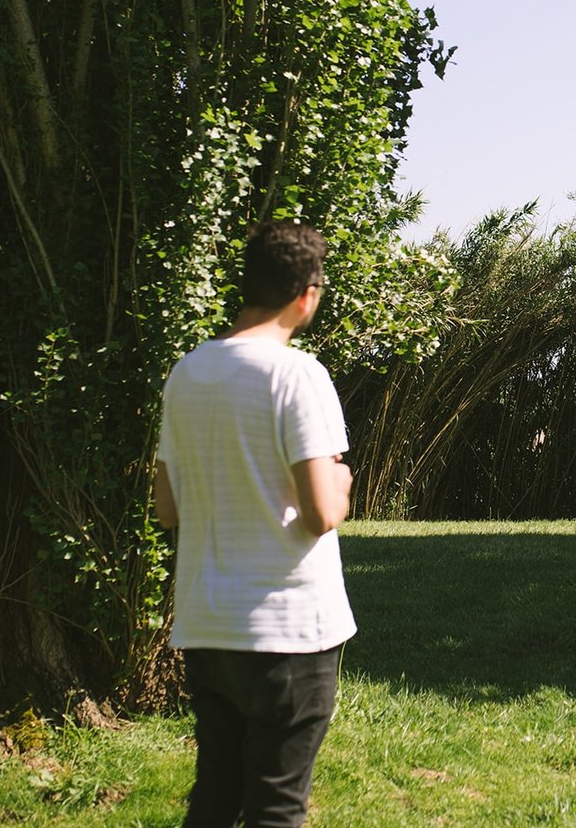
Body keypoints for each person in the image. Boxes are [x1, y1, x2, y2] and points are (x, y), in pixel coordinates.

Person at [154, 221, 357, 827]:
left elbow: (168, 510)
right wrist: (343, 486)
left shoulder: (186, 373)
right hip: (287, 631)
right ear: (307, 293)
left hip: (207, 624)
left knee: (215, 796)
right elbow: (321, 512)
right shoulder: (297, 375)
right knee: (276, 805)